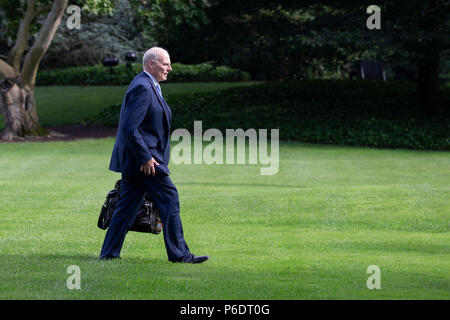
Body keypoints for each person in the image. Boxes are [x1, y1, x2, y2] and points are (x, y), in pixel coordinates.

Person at [99, 47, 209, 264]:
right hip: (145, 162)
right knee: (170, 198)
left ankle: (108, 253)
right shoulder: (142, 87)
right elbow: (131, 128)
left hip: (139, 161)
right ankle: (180, 255)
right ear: (151, 64)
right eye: (165, 64)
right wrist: (145, 158)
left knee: (126, 207)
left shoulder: (149, 85)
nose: (170, 68)